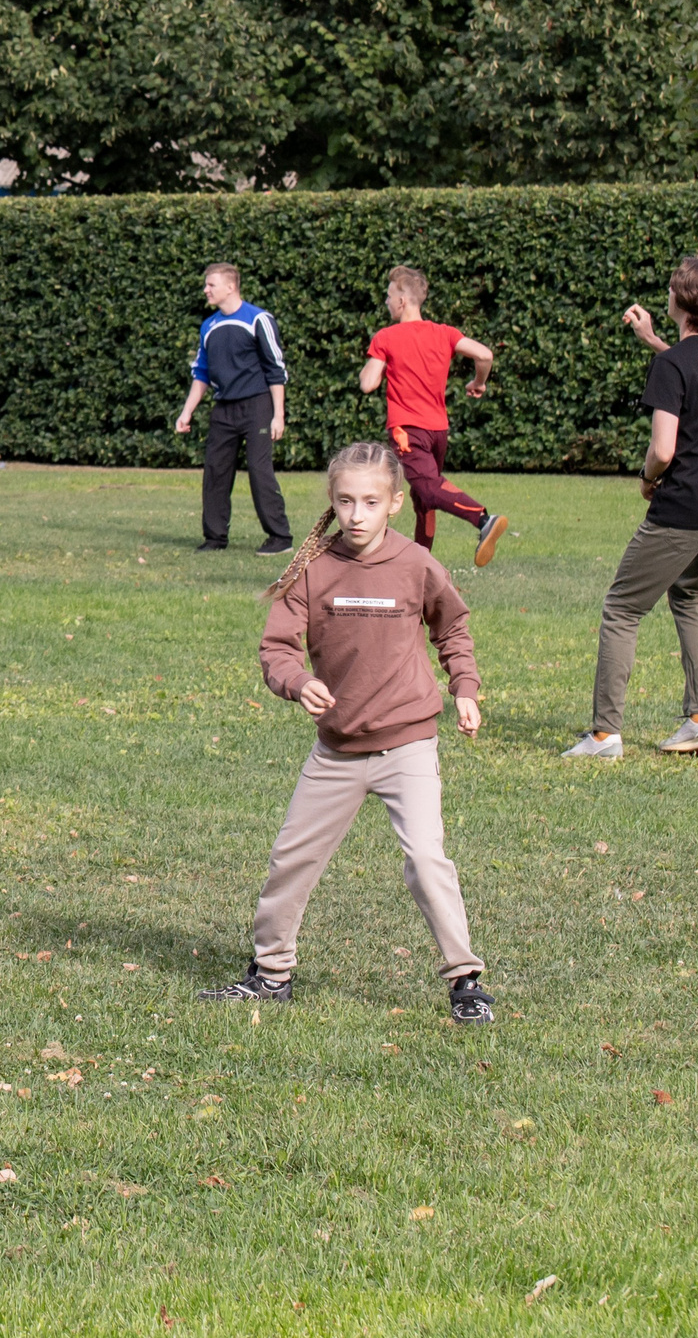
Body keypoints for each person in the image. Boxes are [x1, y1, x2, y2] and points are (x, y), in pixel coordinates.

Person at [201, 440, 496, 1024]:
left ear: (394, 504)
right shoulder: (313, 567)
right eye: (344, 502)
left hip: (408, 743)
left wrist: (464, 686)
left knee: (426, 860)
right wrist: (295, 681)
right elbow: (277, 647)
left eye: (369, 502)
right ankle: (271, 974)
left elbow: (453, 626)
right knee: (292, 858)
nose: (356, 515)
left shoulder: (417, 565)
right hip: (336, 751)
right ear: (332, 504)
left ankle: (466, 981)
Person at [563, 255, 698, 759]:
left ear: (682, 302)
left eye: (671, 289)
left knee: (623, 607)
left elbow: (664, 449)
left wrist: (648, 478)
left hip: (685, 510)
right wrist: (653, 342)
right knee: (688, 595)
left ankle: (604, 736)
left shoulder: (671, 367)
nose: (666, 296)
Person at [361, 265, 510, 565]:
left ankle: (483, 520)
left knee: (428, 489)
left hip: (407, 429)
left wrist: (373, 360)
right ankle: (421, 562)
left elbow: (368, 384)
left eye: (389, 296)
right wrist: (478, 383)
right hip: (438, 431)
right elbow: (485, 355)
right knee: (423, 497)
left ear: (402, 301)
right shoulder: (444, 333)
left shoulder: (386, 337)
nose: (386, 302)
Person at [175, 262, 292, 555]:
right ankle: (215, 538)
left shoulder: (258, 319)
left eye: (211, 284)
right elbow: (201, 373)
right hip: (223, 409)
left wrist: (278, 415)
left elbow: (275, 370)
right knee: (215, 470)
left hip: (257, 406)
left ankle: (280, 538)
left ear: (230, 286)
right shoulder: (209, 326)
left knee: (259, 469)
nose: (206, 290)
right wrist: (186, 412)